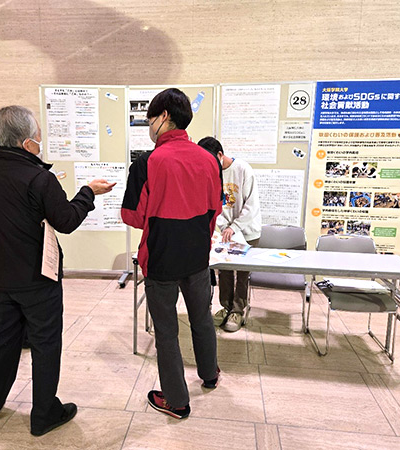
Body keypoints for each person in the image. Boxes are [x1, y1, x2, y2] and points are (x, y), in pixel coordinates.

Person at [0, 105, 115, 436]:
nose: (40, 140)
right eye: (37, 135)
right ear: (26, 143)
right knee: (45, 343)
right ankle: (44, 414)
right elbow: (66, 220)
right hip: (37, 278)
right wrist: (88, 193)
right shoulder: (39, 178)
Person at [121, 88, 222, 419]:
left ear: (163, 116)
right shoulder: (209, 159)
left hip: (161, 258)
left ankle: (177, 401)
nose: (149, 126)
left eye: (150, 118)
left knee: (166, 332)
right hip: (198, 257)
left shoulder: (147, 162)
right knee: (201, 318)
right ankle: (210, 374)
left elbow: (132, 216)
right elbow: (215, 210)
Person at [198, 137, 262, 332]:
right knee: (224, 270)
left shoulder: (243, 169)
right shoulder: (211, 172)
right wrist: (222, 227)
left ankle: (238, 311)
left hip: (247, 231)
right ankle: (226, 307)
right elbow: (213, 203)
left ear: (220, 155)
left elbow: (251, 205)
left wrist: (234, 227)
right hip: (225, 231)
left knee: (242, 273)